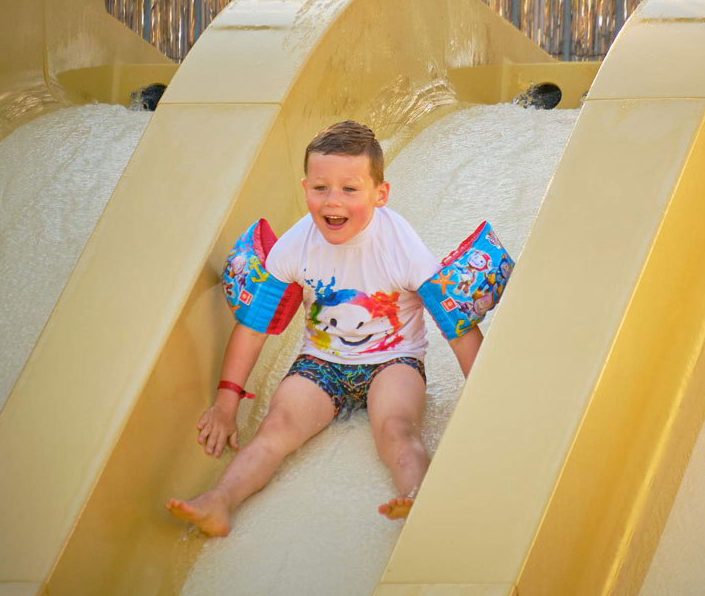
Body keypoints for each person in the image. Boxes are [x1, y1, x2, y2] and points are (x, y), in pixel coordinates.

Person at [166, 121, 483, 536]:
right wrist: (226, 405)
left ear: (379, 194)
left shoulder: (401, 246)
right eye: (321, 188)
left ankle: (416, 493)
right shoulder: (296, 245)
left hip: (393, 360)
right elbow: (253, 326)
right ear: (305, 189)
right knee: (276, 427)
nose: (333, 201)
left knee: (395, 428)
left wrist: (484, 407)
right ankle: (220, 501)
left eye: (350, 189)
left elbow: (456, 326)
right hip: (322, 361)